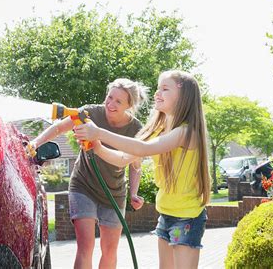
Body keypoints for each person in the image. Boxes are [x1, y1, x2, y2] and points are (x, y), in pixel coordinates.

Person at [74, 70, 211, 269]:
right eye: (158, 88)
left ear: (184, 97)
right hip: (166, 214)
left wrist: (99, 133)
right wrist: (97, 146)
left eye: (165, 89)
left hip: (188, 217)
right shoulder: (158, 129)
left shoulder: (186, 131)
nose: (157, 93)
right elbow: (123, 159)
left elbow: (144, 149)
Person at [31, 78, 148, 269]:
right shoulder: (90, 113)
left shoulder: (135, 128)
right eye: (109, 97)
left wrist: (134, 193)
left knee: (110, 251)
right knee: (86, 246)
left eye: (118, 101)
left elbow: (135, 164)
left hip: (114, 193)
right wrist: (36, 143)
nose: (111, 104)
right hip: (83, 186)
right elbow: (59, 127)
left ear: (129, 105)